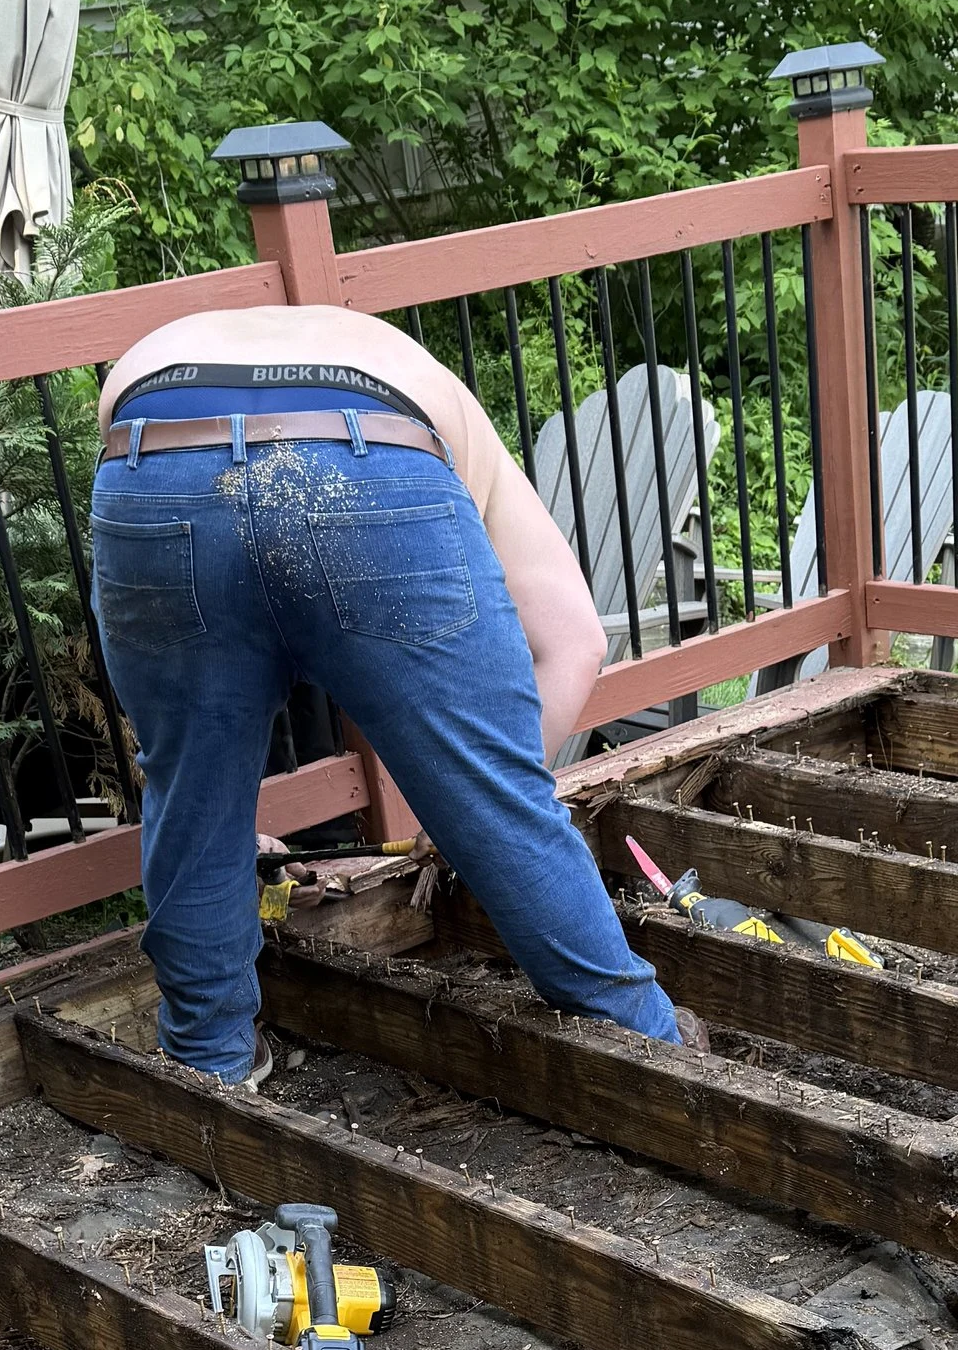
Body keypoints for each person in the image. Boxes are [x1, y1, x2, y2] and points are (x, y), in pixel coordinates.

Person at [91, 305, 684, 1086]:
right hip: (368, 461)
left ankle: (210, 1067)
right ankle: (652, 1049)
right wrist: (473, 812)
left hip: (150, 450)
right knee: (506, 807)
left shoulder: (196, 338)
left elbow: (236, 587)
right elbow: (576, 639)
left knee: (188, 797)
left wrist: (232, 832)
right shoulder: (449, 415)